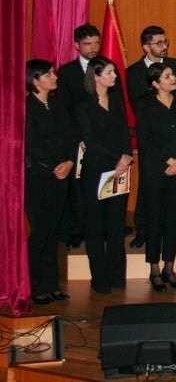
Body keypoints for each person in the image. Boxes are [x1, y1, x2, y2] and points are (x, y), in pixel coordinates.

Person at [126, 24, 176, 250]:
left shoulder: (175, 65)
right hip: (152, 141)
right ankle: (144, 231)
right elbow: (138, 106)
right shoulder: (134, 71)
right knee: (147, 190)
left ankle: (173, 231)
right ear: (146, 47)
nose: (164, 47)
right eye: (159, 43)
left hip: (175, 137)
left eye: (165, 42)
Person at [75, 56, 133, 294]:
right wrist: (116, 159)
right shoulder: (84, 106)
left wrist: (126, 155)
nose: (115, 76)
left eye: (114, 72)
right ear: (96, 76)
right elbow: (90, 141)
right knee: (96, 226)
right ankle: (100, 279)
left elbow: (124, 133)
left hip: (119, 170)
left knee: (117, 224)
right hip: (96, 171)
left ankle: (117, 276)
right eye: (109, 72)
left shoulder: (116, 101)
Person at [135, 63, 176, 292]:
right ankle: (154, 269)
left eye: (173, 74)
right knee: (154, 218)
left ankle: (169, 267)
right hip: (155, 170)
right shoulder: (144, 105)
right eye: (167, 76)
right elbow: (146, 139)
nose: (173, 78)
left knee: (173, 219)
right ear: (155, 83)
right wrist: (168, 161)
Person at [24, 60, 74, 305]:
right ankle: (36, 286)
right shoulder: (27, 107)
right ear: (35, 80)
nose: (55, 76)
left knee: (54, 232)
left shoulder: (57, 103)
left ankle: (52, 284)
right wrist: (53, 166)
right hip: (39, 178)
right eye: (49, 74)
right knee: (41, 232)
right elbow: (31, 145)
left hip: (61, 174)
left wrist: (69, 162)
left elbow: (70, 136)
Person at [57, 23, 102, 249]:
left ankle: (101, 228)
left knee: (101, 186)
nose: (93, 48)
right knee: (77, 189)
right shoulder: (66, 72)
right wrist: (78, 138)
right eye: (87, 44)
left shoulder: (106, 68)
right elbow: (64, 110)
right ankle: (76, 232)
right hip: (78, 141)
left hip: (103, 139)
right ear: (76, 45)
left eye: (96, 43)